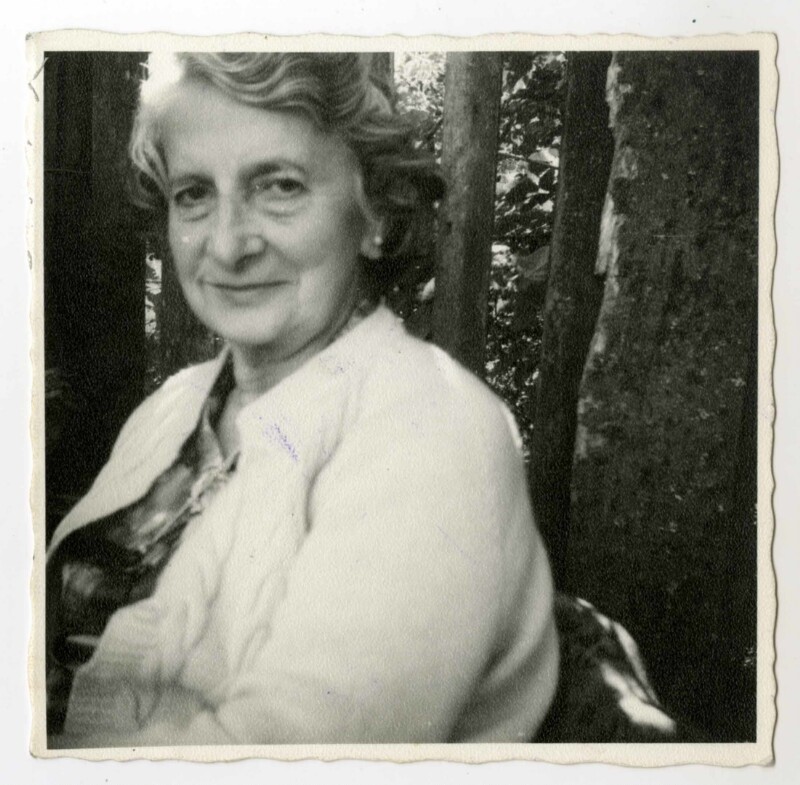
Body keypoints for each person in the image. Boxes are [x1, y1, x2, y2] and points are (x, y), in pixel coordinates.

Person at [45, 52, 559, 747]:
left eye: (279, 186)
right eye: (194, 193)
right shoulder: (174, 408)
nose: (228, 244)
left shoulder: (435, 431)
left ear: (375, 214)